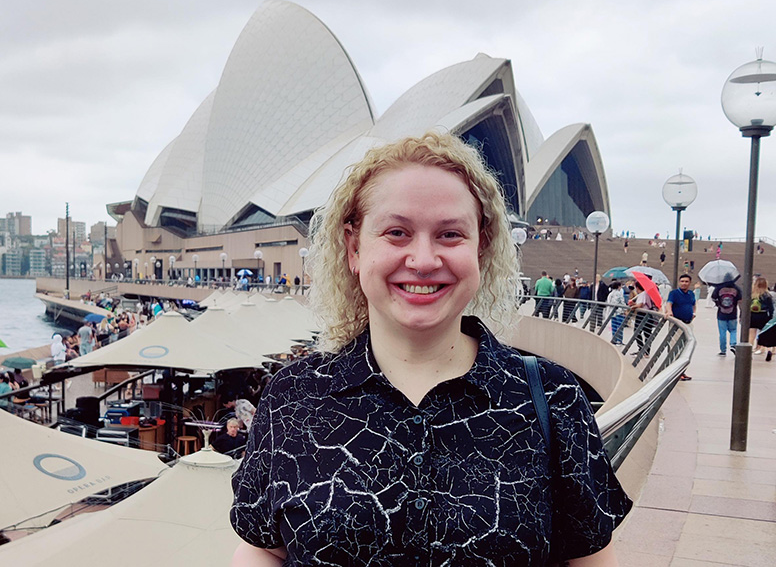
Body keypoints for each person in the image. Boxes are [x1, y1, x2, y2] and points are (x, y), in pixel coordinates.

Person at [230, 132, 630, 566]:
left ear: (482, 246)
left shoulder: (552, 398)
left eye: (450, 234)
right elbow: (263, 550)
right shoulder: (294, 396)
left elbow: (592, 559)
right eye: (397, 232)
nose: (423, 260)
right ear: (354, 248)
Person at [665, 274, 696, 380]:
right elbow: (669, 303)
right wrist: (669, 311)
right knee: (675, 347)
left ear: (690, 283)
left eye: (686, 281)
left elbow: (693, 304)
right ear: (679, 282)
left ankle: (682, 371)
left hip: (688, 323)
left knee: (685, 348)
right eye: (682, 281)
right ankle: (674, 372)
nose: (684, 283)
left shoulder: (691, 294)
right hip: (677, 324)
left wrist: (694, 313)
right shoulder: (674, 293)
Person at [712, 279, 742, 356]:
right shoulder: (736, 288)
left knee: (722, 332)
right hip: (733, 313)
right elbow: (740, 300)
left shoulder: (719, 288)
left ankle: (723, 350)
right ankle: (733, 344)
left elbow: (713, 297)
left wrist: (717, 304)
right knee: (733, 330)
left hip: (721, 313)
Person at [628, 280, 657, 355]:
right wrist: (634, 303)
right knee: (647, 333)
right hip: (648, 315)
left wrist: (633, 306)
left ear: (637, 287)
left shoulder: (642, 294)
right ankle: (646, 351)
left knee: (637, 332)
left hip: (642, 315)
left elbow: (640, 305)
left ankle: (641, 348)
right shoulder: (647, 293)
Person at [749, 277, 774, 355]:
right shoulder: (767, 295)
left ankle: (749, 348)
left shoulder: (752, 294)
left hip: (753, 315)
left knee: (751, 334)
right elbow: (771, 308)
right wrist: (770, 317)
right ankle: (764, 349)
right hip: (763, 315)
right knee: (763, 333)